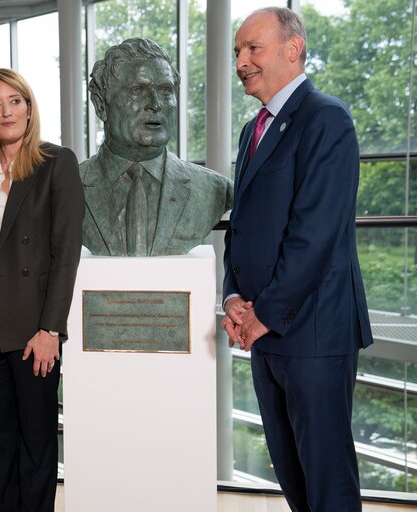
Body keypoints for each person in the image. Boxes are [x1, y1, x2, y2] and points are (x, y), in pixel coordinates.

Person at [223, 8, 373, 512]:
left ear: (293, 49)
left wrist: (263, 314)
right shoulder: (252, 132)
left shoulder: (326, 119)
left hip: (314, 334)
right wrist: (233, 297)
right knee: (293, 476)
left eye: (253, 48)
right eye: (237, 52)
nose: (242, 61)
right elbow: (242, 227)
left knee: (327, 482)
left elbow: (316, 235)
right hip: (267, 334)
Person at [0, 68, 84, 512]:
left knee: (37, 438)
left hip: (32, 322)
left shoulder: (56, 163)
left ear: (28, 106)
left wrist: (50, 330)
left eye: (14, 100)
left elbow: (67, 254)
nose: (6, 111)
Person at [81, 38, 232, 257]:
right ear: (101, 105)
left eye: (165, 91)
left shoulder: (216, 190)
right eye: (137, 90)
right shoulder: (66, 188)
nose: (155, 103)